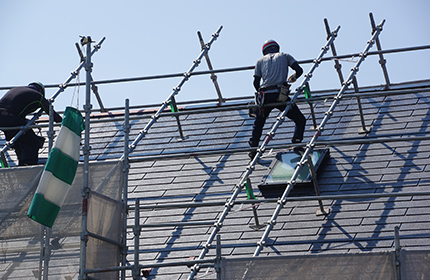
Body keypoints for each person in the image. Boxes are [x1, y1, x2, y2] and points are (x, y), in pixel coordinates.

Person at [249, 40, 306, 159]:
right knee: (300, 119)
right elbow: (299, 71)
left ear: (264, 51)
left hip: (265, 95)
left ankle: (253, 149)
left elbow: (255, 82)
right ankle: (296, 141)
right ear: (277, 48)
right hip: (280, 94)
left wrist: (260, 94)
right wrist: (290, 80)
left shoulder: (260, 61)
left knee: (259, 122)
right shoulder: (285, 56)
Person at [0, 82, 62, 166]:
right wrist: (63, 123)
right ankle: (27, 165)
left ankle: (21, 162)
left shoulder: (16, 89)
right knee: (33, 142)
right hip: (11, 119)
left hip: (3, 119)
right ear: (40, 90)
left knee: (19, 141)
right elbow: (51, 112)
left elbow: (11, 108)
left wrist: (24, 120)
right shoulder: (37, 96)